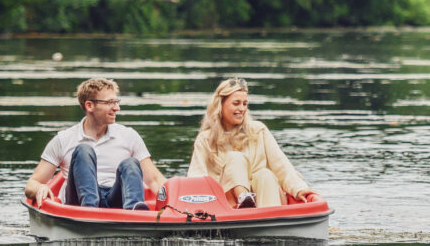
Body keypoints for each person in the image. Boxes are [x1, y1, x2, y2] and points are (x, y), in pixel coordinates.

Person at [25, 77, 165, 210]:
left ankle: (135, 213)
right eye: (110, 102)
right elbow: (32, 185)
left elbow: (154, 180)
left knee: (131, 163)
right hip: (78, 203)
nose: (117, 108)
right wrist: (40, 187)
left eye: (117, 102)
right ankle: (89, 210)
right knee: (83, 151)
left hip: (115, 200)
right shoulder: (63, 139)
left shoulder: (129, 136)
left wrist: (180, 198)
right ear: (89, 105)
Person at [187, 77, 318, 209]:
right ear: (220, 105)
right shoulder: (205, 140)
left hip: (265, 198)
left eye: (245, 104)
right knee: (235, 158)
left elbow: (281, 165)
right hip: (227, 205)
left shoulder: (258, 130)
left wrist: (300, 189)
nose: (242, 108)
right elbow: (196, 178)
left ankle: (270, 219)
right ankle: (244, 201)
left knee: (265, 174)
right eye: (236, 103)